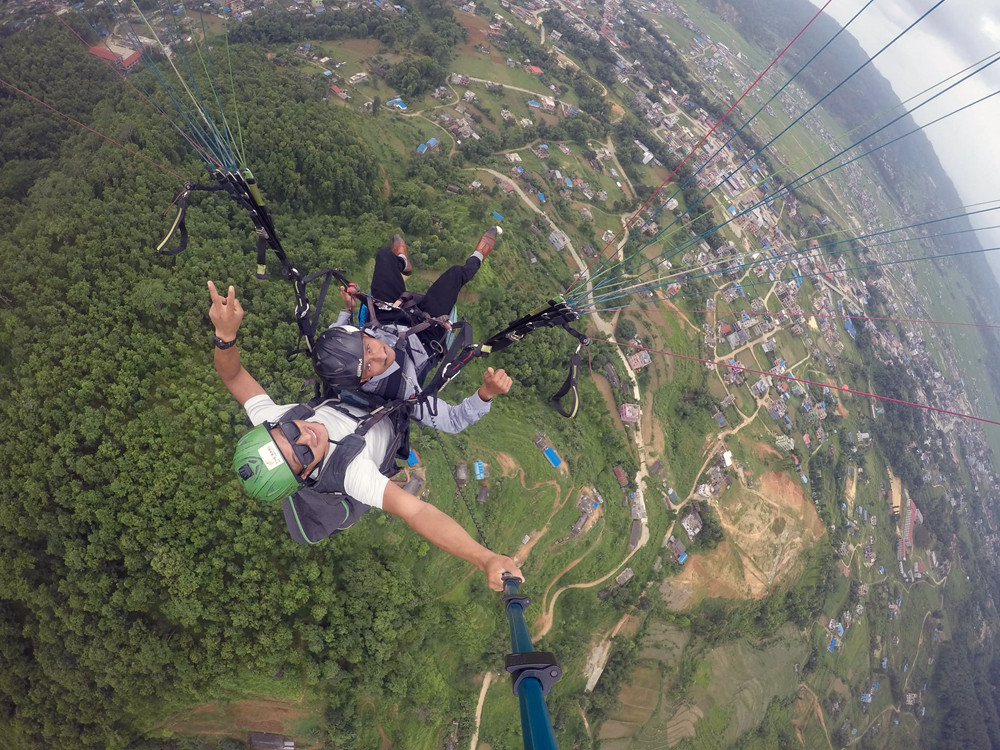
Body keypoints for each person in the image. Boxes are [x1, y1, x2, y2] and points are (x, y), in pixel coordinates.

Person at [208, 280, 522, 592]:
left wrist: (225, 335)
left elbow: (233, 375)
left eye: (290, 431)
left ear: (275, 426)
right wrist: (484, 559)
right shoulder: (348, 474)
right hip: (393, 409)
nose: (306, 437)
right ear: (305, 475)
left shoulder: (273, 420)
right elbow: (417, 512)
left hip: (353, 395)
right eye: (302, 455)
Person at [313, 228, 512, 434]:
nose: (381, 355)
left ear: (362, 333)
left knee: (384, 257)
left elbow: (337, 331)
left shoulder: (339, 352)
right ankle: (477, 257)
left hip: (386, 320)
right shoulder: (399, 394)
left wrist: (348, 309)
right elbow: (453, 421)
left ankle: (402, 262)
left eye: (369, 347)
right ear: (362, 380)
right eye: (370, 366)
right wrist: (486, 393)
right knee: (454, 274)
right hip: (426, 339)